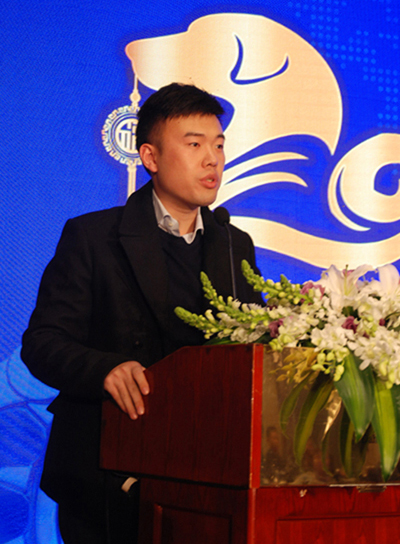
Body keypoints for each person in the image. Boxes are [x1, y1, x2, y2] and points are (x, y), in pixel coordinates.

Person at [21, 83, 263, 544]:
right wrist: (104, 369)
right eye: (194, 145)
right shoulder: (94, 237)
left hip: (209, 476)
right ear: (150, 157)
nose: (212, 160)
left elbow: (254, 350)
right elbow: (43, 342)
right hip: (107, 471)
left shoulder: (235, 245)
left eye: (218, 145)